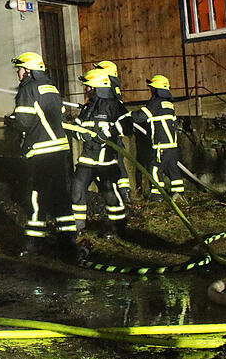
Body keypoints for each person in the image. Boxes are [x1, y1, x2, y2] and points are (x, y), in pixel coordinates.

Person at [5, 52, 74, 255]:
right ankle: (67, 242)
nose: (18, 73)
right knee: (61, 196)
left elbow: (24, 121)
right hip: (60, 150)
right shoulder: (52, 88)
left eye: (20, 68)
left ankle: (34, 242)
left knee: (36, 196)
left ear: (28, 71)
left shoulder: (28, 88)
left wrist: (11, 122)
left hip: (42, 151)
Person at [70, 68, 130, 239]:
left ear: (96, 88)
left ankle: (117, 226)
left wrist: (108, 132)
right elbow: (76, 127)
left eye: (88, 87)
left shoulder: (113, 105)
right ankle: (77, 226)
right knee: (77, 190)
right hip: (87, 159)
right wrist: (79, 132)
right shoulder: (88, 107)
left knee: (110, 193)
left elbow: (127, 123)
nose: (86, 90)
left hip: (106, 161)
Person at [130, 75, 184, 200]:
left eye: (152, 88)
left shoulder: (155, 103)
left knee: (155, 168)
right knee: (173, 169)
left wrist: (127, 115)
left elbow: (141, 116)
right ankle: (179, 193)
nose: (151, 90)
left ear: (156, 89)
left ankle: (157, 194)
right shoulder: (169, 105)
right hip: (172, 145)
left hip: (161, 145)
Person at [94, 60, 131, 204]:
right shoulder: (110, 85)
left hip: (111, 132)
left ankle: (124, 193)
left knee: (117, 163)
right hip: (108, 130)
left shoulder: (110, 87)